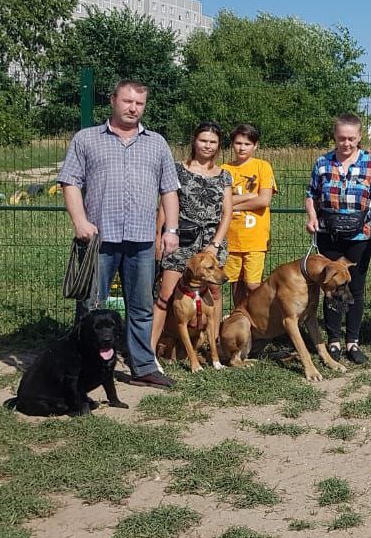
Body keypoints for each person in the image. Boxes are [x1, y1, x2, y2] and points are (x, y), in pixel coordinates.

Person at [58, 79, 181, 389]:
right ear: (113, 100)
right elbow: (69, 182)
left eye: (139, 103)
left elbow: (169, 190)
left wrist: (171, 230)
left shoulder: (157, 143)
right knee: (90, 306)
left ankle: (142, 366)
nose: (132, 108)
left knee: (140, 305)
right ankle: (84, 366)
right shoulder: (86, 139)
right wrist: (79, 221)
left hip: (141, 240)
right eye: (127, 101)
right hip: (98, 238)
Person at [304, 113, 371, 365]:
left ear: (359, 137)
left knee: (355, 289)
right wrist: (311, 217)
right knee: (331, 288)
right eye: (342, 138)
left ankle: (353, 341)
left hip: (360, 235)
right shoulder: (322, 163)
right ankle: (334, 341)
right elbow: (311, 194)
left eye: (351, 138)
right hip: (329, 235)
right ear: (335, 137)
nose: (346, 143)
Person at [151, 122, 233, 354]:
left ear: (218, 146)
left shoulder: (224, 175)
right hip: (180, 239)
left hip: (211, 243)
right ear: (194, 142)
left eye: (212, 142)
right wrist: (159, 236)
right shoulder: (177, 170)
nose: (207, 145)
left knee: (214, 294)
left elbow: (227, 213)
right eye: (203, 140)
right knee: (165, 295)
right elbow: (165, 207)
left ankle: (212, 347)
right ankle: (148, 351)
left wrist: (216, 244)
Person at [221, 124, 277, 306]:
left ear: (255, 146)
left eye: (247, 143)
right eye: (238, 143)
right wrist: (248, 196)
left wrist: (232, 204)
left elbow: (263, 200)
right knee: (235, 285)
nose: (242, 148)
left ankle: (262, 322)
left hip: (255, 238)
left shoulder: (263, 167)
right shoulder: (224, 169)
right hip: (231, 238)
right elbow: (221, 202)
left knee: (253, 284)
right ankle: (240, 321)